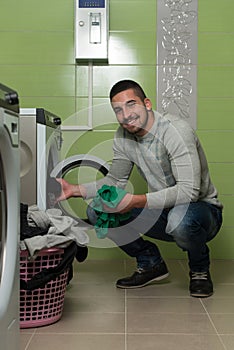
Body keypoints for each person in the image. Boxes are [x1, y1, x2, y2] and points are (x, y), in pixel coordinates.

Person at [56, 79, 223, 298]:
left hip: (201, 211)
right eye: (118, 109)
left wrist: (135, 201)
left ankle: (199, 270)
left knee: (179, 220)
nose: (125, 115)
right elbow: (115, 181)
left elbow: (189, 191)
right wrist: (76, 189)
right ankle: (150, 263)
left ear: (147, 103)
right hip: (162, 210)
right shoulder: (123, 136)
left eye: (131, 104)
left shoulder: (175, 131)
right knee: (97, 211)